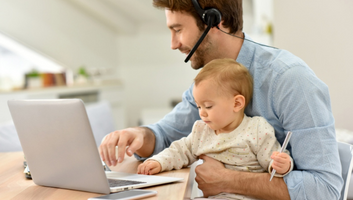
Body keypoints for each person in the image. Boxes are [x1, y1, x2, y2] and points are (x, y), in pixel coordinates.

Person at [99, 0, 343, 199]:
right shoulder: (212, 81)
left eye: (177, 30)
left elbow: (325, 189)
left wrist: (229, 180)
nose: (173, 44)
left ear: (215, 20)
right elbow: (166, 135)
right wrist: (139, 135)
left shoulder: (290, 80)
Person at [137, 58, 293, 200]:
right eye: (198, 106)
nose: (201, 113)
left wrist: (281, 165)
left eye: (208, 106)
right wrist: (158, 162)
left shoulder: (257, 129)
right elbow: (179, 151)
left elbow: (273, 162)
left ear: (237, 104)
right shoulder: (201, 130)